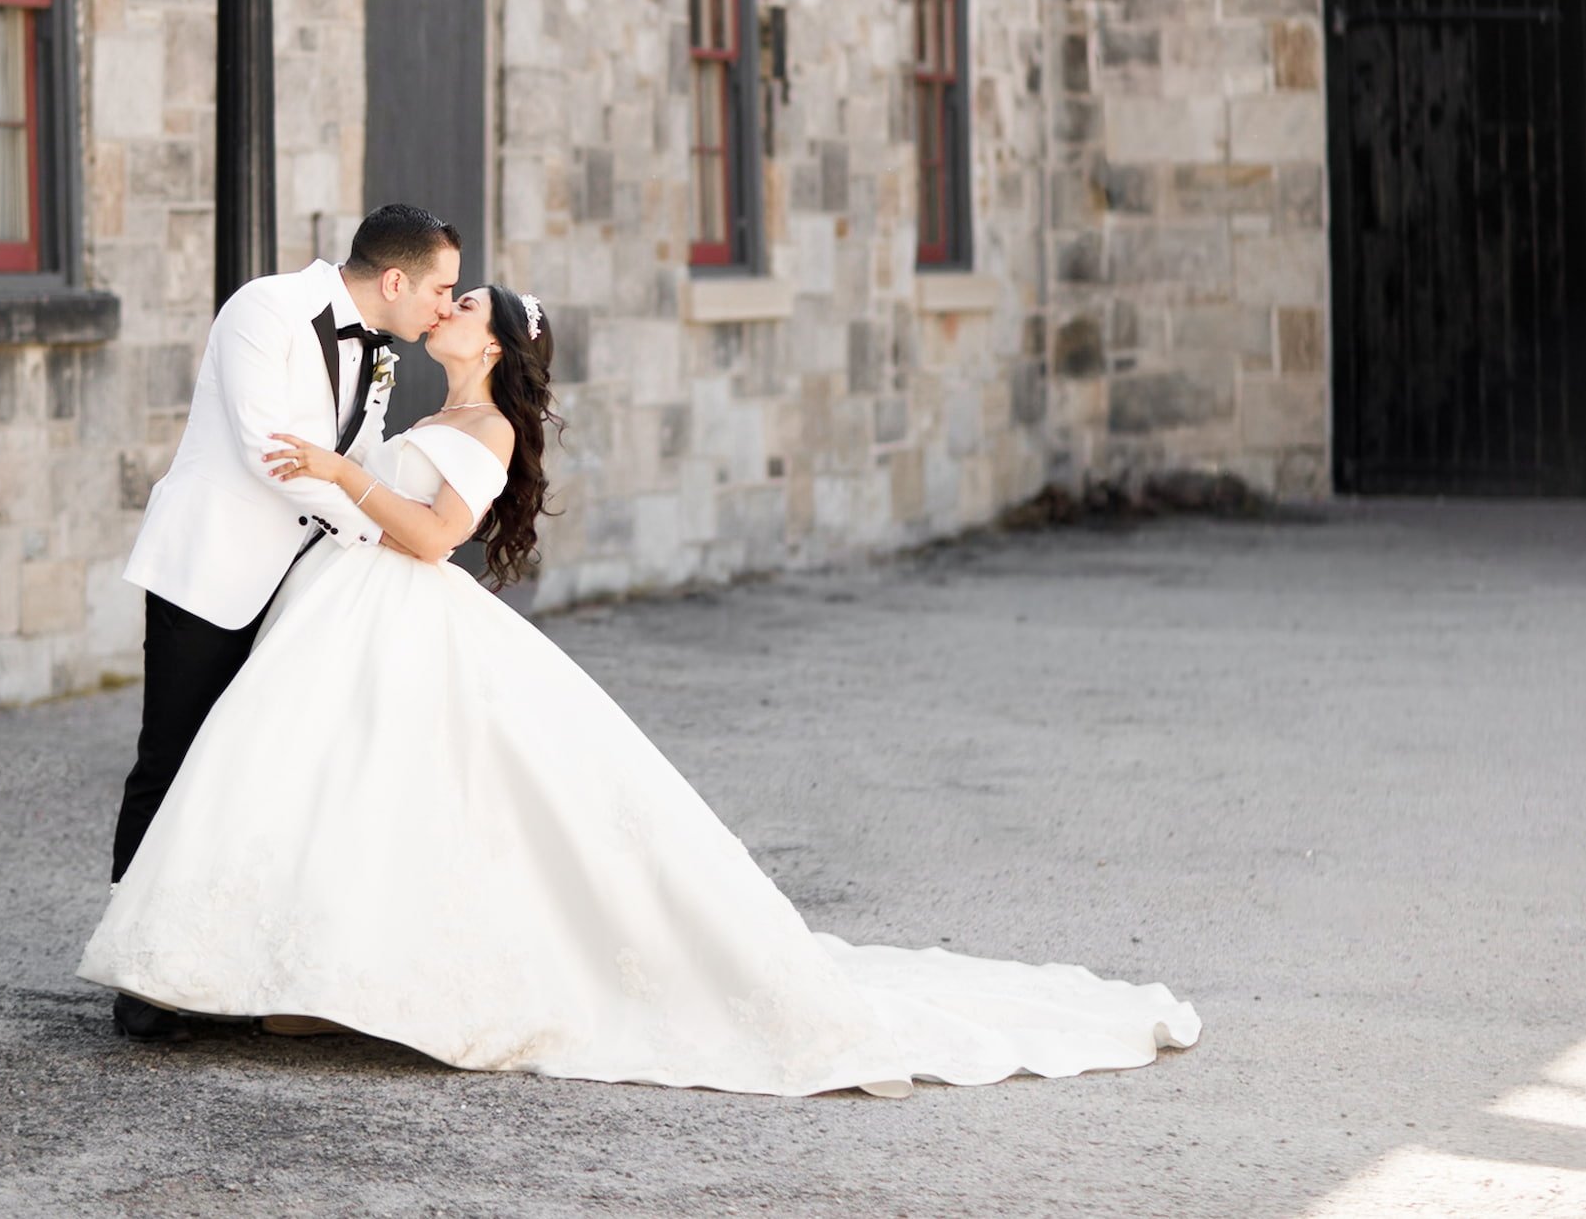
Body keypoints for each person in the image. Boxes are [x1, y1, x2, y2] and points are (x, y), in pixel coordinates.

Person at [82, 281, 1200, 1094]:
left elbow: (429, 536)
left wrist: (335, 472)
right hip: (344, 613)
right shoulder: (429, 408)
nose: (444, 307)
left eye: (463, 302)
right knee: (333, 788)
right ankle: (279, 966)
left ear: (495, 341)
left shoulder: (482, 424)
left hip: (395, 605)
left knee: (404, 791)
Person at [105, 203, 462, 1038]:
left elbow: (356, 456)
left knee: (247, 770)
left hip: (305, 580)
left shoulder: (377, 351)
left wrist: (406, 508)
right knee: (172, 756)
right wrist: (382, 530)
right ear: (396, 279)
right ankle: (136, 975)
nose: (446, 307)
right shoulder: (264, 310)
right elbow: (273, 453)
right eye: (441, 290)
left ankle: (215, 963)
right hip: (213, 570)